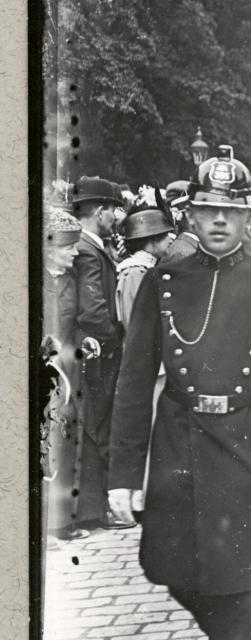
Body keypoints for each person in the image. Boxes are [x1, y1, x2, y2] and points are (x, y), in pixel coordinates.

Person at [108, 155, 251, 639]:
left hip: (250, 446)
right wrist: (123, 476)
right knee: (178, 573)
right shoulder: (163, 282)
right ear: (190, 215)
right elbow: (134, 383)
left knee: (239, 589)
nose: (220, 220)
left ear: (249, 216)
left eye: (231, 211)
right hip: (179, 447)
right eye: (208, 210)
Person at [68, 176, 136, 532]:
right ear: (99, 211)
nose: (116, 217)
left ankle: (94, 508)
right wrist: (116, 340)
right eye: (113, 210)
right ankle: (99, 509)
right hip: (99, 356)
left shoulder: (87, 246)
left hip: (93, 354)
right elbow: (92, 311)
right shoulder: (87, 250)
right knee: (100, 427)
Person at [42, 211, 88, 541]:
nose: (74, 252)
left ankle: (60, 523)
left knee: (65, 438)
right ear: (49, 248)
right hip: (39, 374)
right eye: (68, 246)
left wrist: (87, 339)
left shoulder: (72, 281)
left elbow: (78, 323)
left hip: (67, 375)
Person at [116, 206, 176, 330]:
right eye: (165, 235)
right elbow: (135, 323)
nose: (170, 240)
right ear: (153, 238)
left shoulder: (146, 268)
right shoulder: (134, 272)